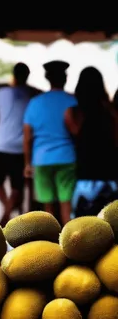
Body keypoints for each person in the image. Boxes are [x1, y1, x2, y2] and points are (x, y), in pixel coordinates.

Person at [23, 60, 77, 226]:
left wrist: (27, 163)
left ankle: (52, 242)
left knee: (48, 206)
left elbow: (27, 136)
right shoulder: (73, 101)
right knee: (66, 202)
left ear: (47, 78)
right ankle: (71, 239)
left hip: (42, 158)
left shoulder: (35, 102)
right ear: (65, 78)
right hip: (67, 157)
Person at [64, 67, 118, 217]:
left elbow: (75, 135)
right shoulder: (111, 111)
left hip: (85, 174)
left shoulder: (73, 113)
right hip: (110, 174)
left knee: (83, 225)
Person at [0, 63, 32, 226]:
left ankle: (6, 210)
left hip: (0, 143)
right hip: (21, 146)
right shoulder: (32, 94)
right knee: (17, 185)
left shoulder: (1, 92)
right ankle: (8, 210)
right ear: (27, 76)